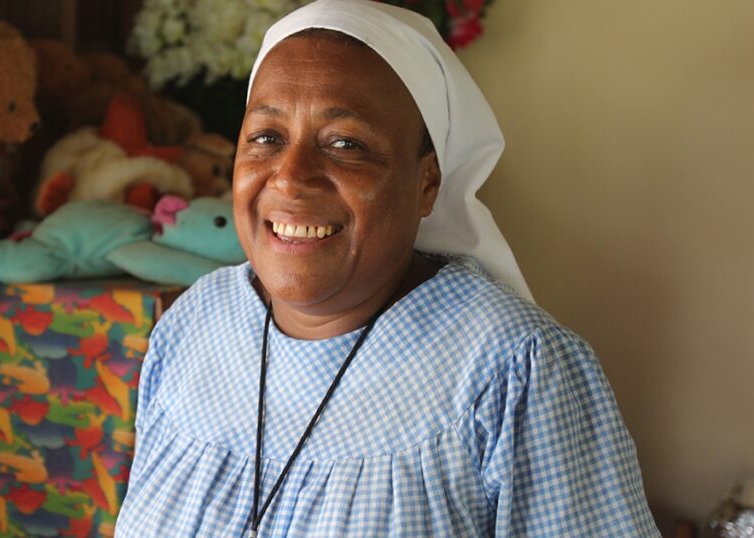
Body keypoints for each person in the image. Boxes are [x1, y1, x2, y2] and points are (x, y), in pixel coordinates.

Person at [116, 0, 659, 535]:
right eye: (266, 138)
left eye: (345, 144)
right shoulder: (192, 324)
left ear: (427, 182)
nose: (290, 177)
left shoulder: (513, 371)